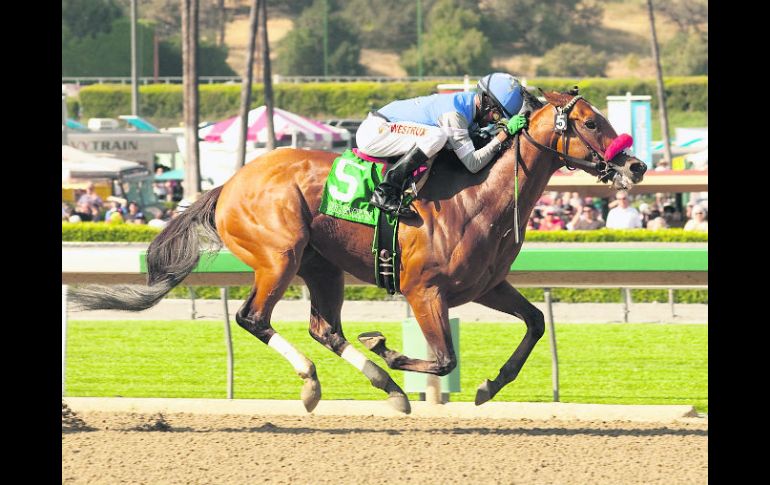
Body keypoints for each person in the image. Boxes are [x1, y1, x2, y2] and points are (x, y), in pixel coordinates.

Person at [355, 72, 529, 217]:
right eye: (497, 116)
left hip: (386, 128)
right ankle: (385, 191)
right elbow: (473, 164)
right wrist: (503, 135)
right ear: (487, 102)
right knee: (437, 136)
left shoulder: (467, 105)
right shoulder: (455, 115)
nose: (494, 122)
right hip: (375, 132)